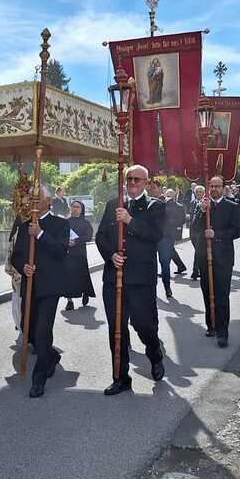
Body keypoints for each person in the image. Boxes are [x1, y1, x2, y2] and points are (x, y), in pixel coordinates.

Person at [96, 164, 165, 395]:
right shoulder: (112, 204)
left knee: (143, 324)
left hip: (141, 279)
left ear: (146, 183)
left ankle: (154, 353)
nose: (132, 183)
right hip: (113, 278)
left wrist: (130, 221)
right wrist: (110, 255)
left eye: (137, 179)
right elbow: (101, 236)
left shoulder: (155, 206)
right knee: (116, 330)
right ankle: (121, 377)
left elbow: (156, 235)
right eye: (129, 179)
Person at [12, 187, 70, 398]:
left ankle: (39, 378)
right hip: (30, 286)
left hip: (49, 287)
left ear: (48, 201)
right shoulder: (24, 226)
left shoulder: (60, 224)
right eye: (30, 198)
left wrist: (41, 234)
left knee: (43, 331)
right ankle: (51, 357)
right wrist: (23, 266)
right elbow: (16, 255)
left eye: (37, 197)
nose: (32, 201)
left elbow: (61, 251)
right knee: (30, 331)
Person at [191, 174, 240, 348]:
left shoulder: (232, 206)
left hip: (223, 257)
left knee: (221, 295)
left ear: (223, 187)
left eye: (217, 186)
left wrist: (217, 234)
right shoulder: (202, 206)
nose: (213, 189)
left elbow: (237, 231)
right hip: (204, 256)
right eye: (211, 186)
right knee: (207, 292)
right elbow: (194, 229)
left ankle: (222, 332)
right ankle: (211, 325)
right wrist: (202, 212)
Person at [63, 200, 95, 310]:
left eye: (78, 207)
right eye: (73, 206)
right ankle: (69, 301)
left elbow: (88, 237)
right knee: (68, 277)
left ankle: (85, 292)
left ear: (81, 210)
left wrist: (76, 242)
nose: (75, 208)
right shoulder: (65, 222)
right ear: (70, 208)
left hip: (80, 253)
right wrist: (66, 241)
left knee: (82, 276)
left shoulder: (86, 223)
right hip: (68, 253)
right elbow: (60, 235)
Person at [157, 187, 187, 298]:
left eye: (171, 194)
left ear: (174, 196)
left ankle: (167, 288)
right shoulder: (159, 204)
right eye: (167, 194)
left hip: (167, 237)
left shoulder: (178, 206)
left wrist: (172, 225)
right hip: (154, 236)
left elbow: (182, 220)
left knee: (165, 263)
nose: (168, 196)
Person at [188, 184, 206, 278]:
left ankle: (195, 271)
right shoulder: (192, 202)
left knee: (198, 250)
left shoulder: (205, 202)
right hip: (193, 230)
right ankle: (201, 267)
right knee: (199, 251)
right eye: (197, 192)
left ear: (203, 193)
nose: (198, 193)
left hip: (201, 230)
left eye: (200, 192)